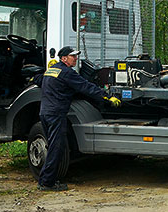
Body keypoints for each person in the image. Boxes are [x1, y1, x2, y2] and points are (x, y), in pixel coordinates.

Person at [34, 46, 121, 191]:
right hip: (56, 114)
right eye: (72, 56)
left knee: (53, 146)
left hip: (45, 113)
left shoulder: (52, 70)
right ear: (64, 58)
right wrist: (106, 96)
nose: (75, 58)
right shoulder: (67, 73)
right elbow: (86, 87)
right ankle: (46, 183)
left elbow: (38, 79)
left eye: (75, 56)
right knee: (57, 147)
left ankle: (46, 179)